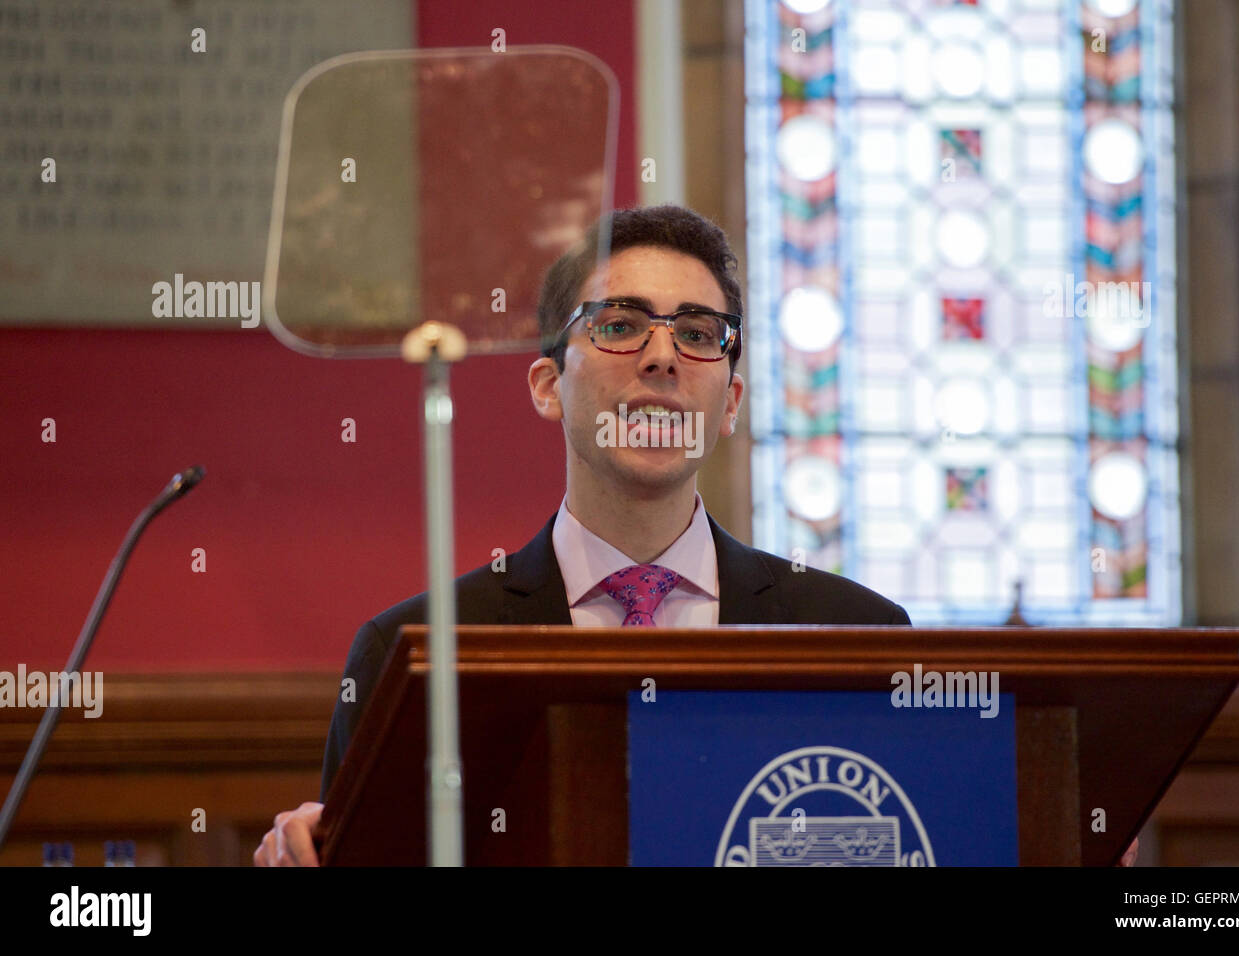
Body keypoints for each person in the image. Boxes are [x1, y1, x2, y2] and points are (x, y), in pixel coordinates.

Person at [255, 204, 1131, 866]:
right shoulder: (414, 652)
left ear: (732, 404)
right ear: (546, 386)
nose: (664, 355)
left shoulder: (853, 631)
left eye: (700, 334)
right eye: (621, 324)